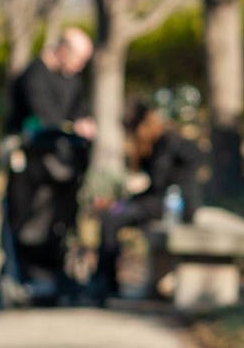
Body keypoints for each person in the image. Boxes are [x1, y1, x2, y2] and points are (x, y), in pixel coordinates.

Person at [1, 27, 96, 303]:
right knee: (26, 219)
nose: (79, 67)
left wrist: (86, 125)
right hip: (32, 163)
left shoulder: (72, 81)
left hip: (64, 164)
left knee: (62, 219)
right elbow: (43, 117)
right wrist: (70, 127)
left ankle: (56, 273)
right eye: (78, 59)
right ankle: (25, 273)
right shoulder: (33, 76)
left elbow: (80, 111)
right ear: (63, 50)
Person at [85, 100, 205, 306]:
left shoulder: (168, 142)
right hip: (161, 202)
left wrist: (128, 199)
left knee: (113, 219)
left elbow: (159, 182)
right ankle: (105, 281)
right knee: (111, 215)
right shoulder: (158, 143)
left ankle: (104, 284)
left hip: (175, 206)